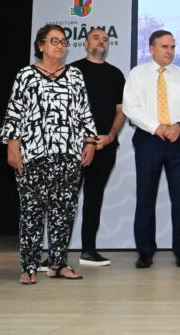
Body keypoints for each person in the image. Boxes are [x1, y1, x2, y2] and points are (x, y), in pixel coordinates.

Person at [0, 24, 97, 284]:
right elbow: (14, 112)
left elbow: (84, 110)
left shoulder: (75, 75)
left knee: (64, 211)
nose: (60, 46)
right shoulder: (26, 75)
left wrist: (89, 141)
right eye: (55, 41)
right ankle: (29, 266)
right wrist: (12, 144)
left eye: (64, 42)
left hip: (68, 154)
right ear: (41, 45)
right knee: (31, 211)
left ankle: (58, 263)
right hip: (33, 154)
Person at [122, 30, 180, 268]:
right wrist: (156, 127)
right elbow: (130, 108)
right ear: (152, 48)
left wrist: (179, 125)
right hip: (148, 139)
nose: (170, 51)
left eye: (173, 47)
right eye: (165, 46)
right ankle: (145, 251)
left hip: (177, 138)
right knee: (145, 197)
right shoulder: (137, 74)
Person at [71, 28, 126, 266]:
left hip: (105, 147)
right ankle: (56, 253)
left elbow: (120, 110)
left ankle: (88, 250)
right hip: (73, 148)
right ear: (85, 43)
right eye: (96, 38)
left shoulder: (116, 74)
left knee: (94, 198)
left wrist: (111, 136)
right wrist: (87, 140)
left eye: (105, 39)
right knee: (66, 200)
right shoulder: (71, 71)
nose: (101, 41)